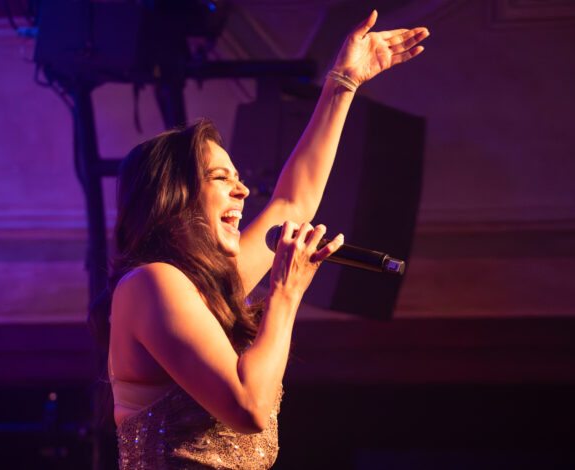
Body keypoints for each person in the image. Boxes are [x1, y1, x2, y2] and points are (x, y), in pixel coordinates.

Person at [105, 11, 429, 469]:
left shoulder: (206, 291)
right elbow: (249, 408)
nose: (241, 190)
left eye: (238, 178)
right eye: (221, 177)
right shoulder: (151, 283)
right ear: (174, 195)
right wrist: (285, 291)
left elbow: (293, 202)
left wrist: (343, 83)